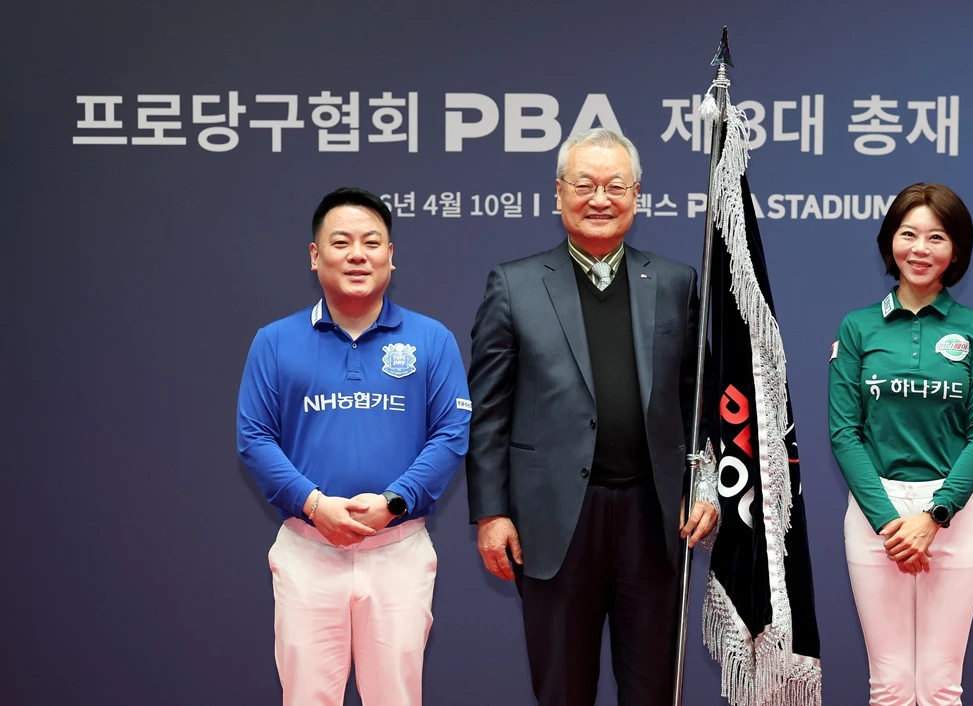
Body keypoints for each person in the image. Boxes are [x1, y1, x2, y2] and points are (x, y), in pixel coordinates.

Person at [465, 128, 718, 706]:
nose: (599, 199)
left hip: (653, 518)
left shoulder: (676, 282)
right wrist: (492, 512)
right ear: (558, 193)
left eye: (615, 186)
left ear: (637, 196)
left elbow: (697, 400)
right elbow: (488, 413)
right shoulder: (515, 284)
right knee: (563, 689)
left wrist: (703, 486)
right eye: (584, 185)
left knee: (653, 690)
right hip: (553, 520)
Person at [237, 187, 471, 706]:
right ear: (315, 255)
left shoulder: (431, 340)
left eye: (372, 242)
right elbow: (254, 439)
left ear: (391, 254)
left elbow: (451, 435)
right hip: (307, 550)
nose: (357, 255)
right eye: (341, 242)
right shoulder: (274, 341)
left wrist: (394, 502)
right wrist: (314, 505)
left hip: (398, 551)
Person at [828, 183, 973, 706]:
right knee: (890, 686)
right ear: (890, 242)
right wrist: (889, 524)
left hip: (953, 515)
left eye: (936, 237)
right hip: (875, 516)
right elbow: (845, 433)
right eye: (909, 234)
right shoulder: (858, 327)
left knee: (940, 686)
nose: (920, 249)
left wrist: (934, 516)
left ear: (957, 250)